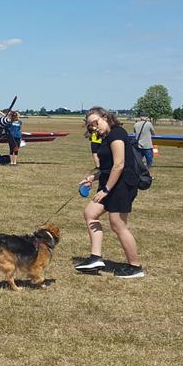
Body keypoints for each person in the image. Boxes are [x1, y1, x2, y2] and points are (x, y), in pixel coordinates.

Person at [75, 107, 145, 279]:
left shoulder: (117, 134)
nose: (94, 127)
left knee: (118, 225)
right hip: (111, 184)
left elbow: (119, 165)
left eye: (96, 123)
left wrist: (106, 190)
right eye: (90, 126)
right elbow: (107, 167)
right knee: (90, 213)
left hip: (122, 186)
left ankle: (135, 267)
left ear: (105, 117)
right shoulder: (106, 137)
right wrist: (93, 177)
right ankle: (96, 258)